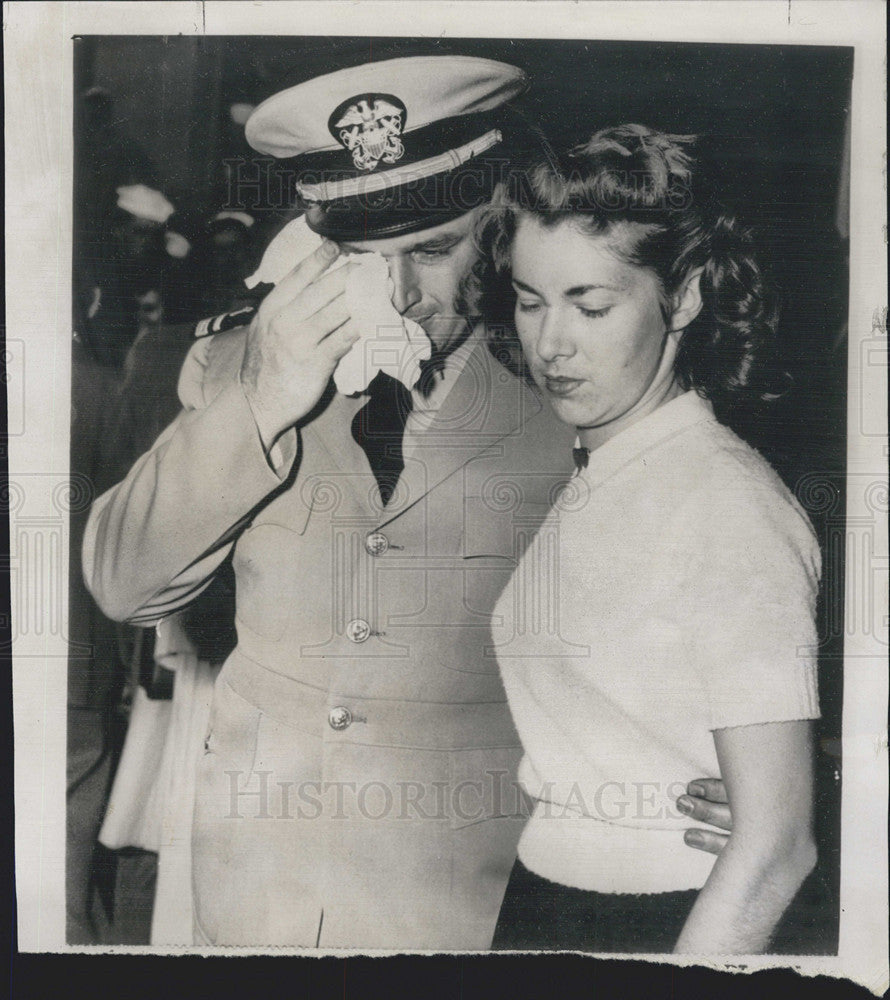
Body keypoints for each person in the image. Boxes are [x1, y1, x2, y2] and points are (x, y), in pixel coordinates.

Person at [82, 59, 730, 949]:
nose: (399, 298)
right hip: (255, 883)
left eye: (432, 250)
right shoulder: (246, 368)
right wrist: (264, 401)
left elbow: (693, 584)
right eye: (360, 259)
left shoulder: (571, 387)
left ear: (499, 235)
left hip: (462, 891)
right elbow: (122, 584)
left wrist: (741, 768)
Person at [484, 124, 822, 954]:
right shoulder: (608, 469)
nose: (550, 342)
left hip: (662, 919)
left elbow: (777, 849)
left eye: (591, 305)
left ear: (688, 295)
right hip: (546, 904)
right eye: (530, 301)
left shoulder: (725, 503)